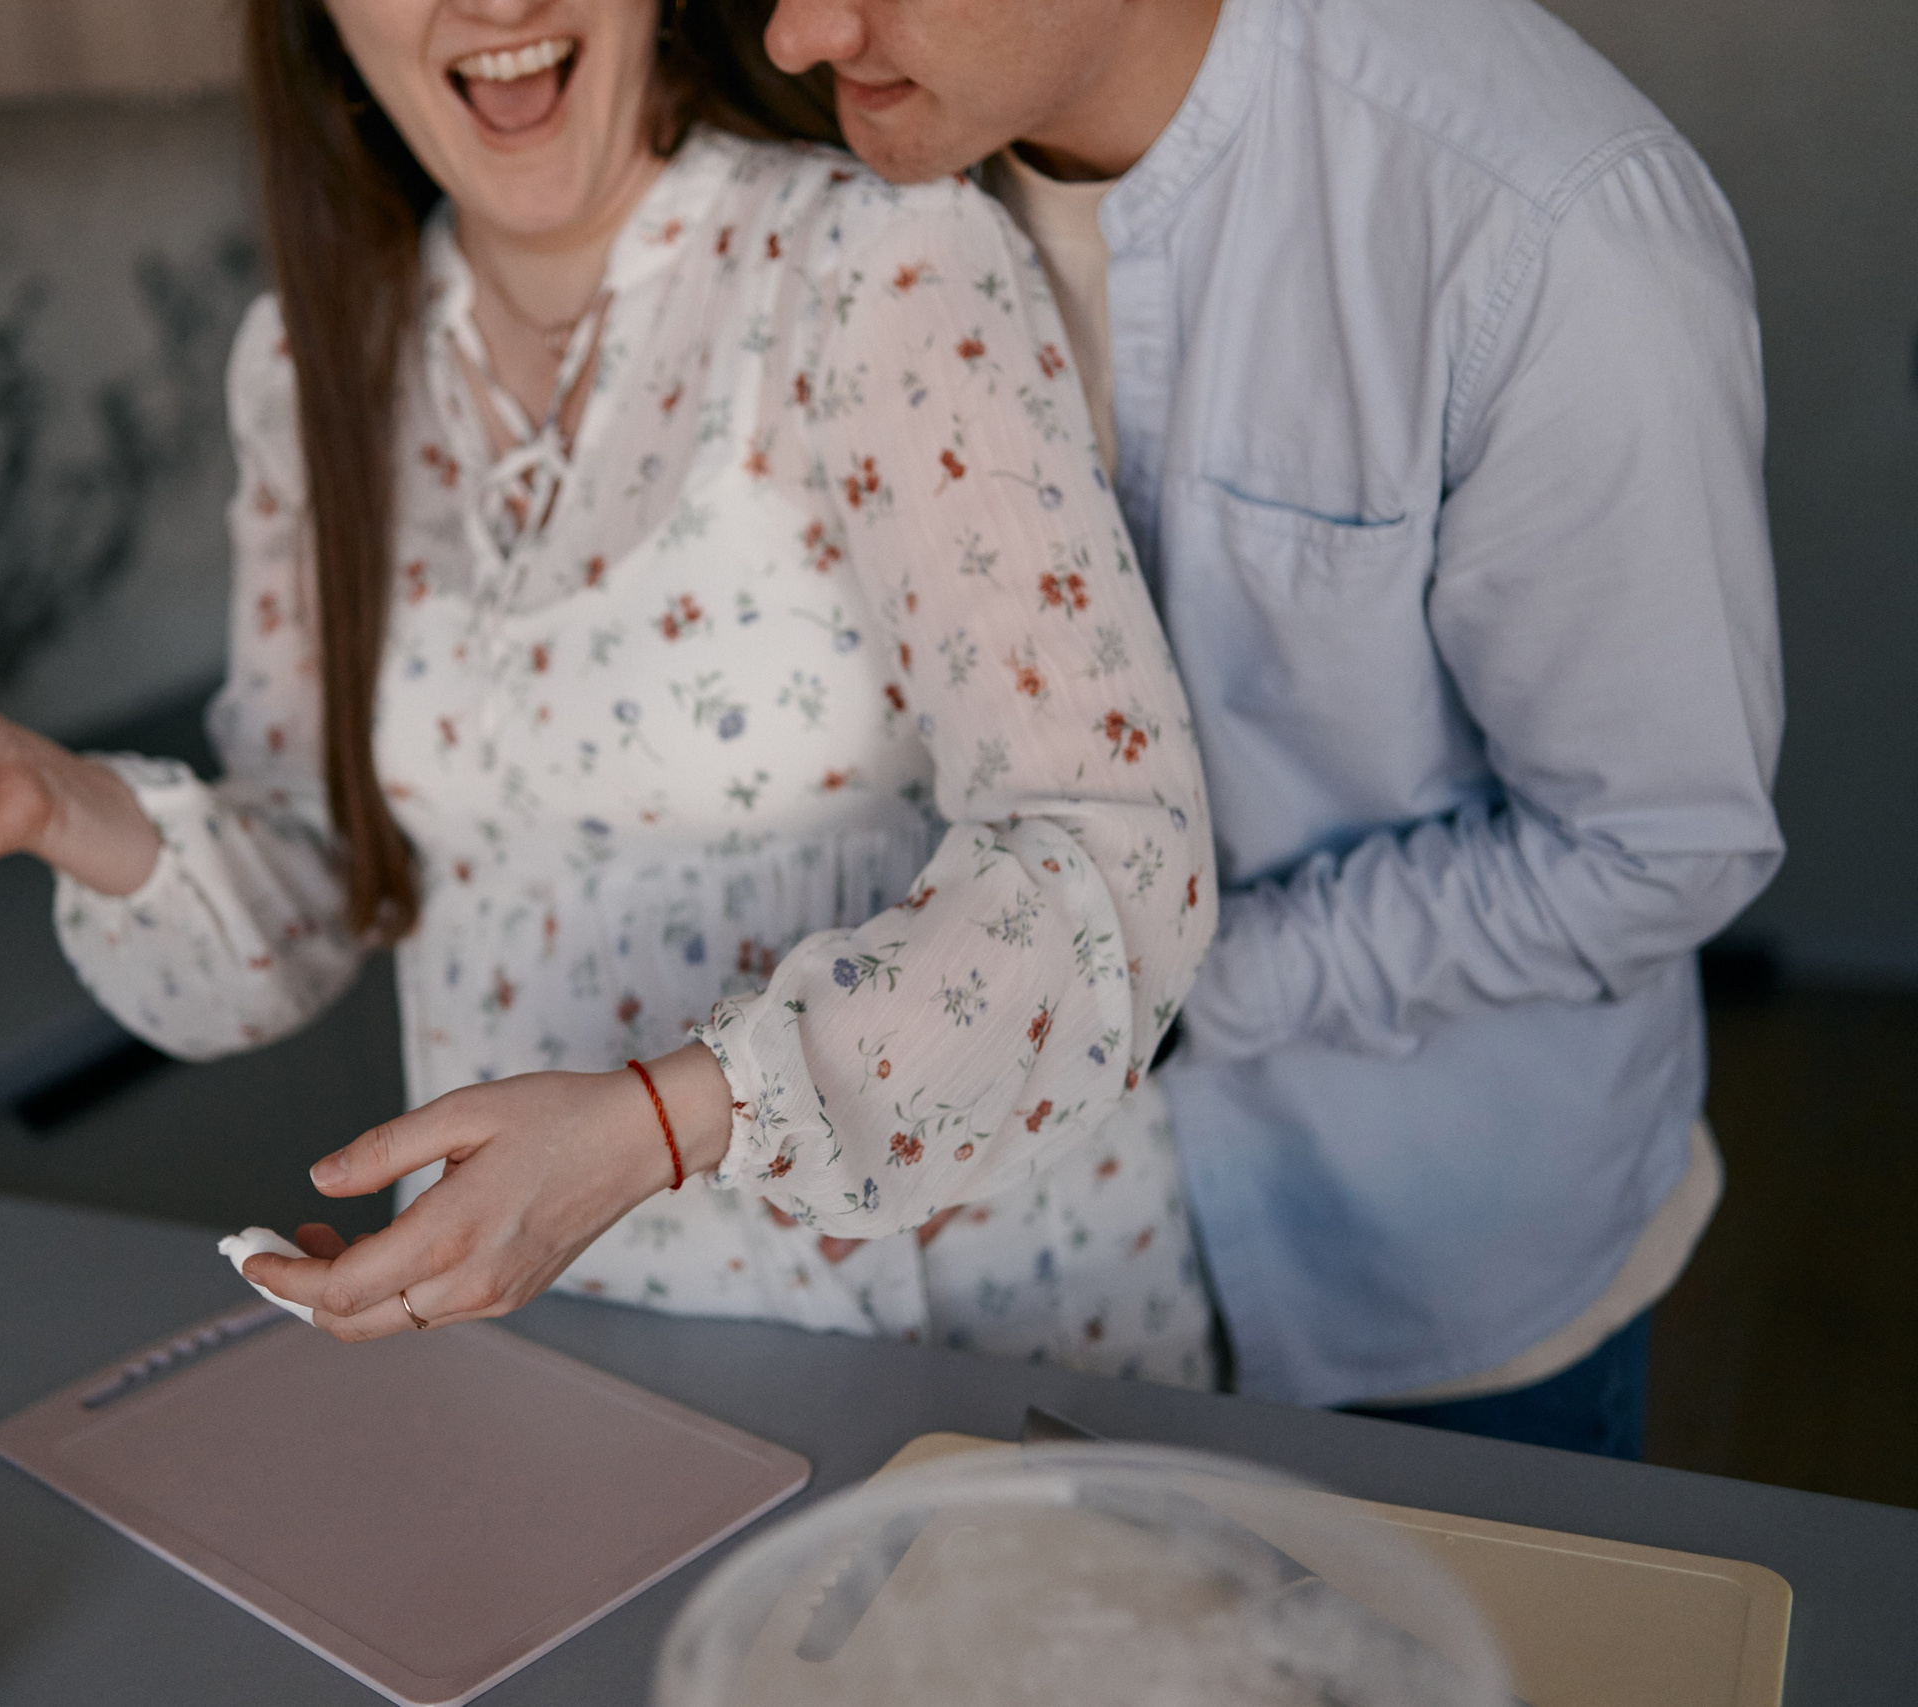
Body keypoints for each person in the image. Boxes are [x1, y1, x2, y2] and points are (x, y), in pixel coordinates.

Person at [0, 0, 1225, 1377]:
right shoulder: (313, 363)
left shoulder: (878, 265)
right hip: (554, 1362)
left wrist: (671, 1119)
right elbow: (307, 892)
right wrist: (56, 805)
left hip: (957, 1350)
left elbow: (1115, 863)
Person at [760, 0, 1784, 1456]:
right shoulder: (816, 144)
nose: (800, 32)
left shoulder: (1551, 232)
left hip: (1434, 1285)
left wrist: (1149, 991)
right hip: (1008, 1287)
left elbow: (1656, 848)